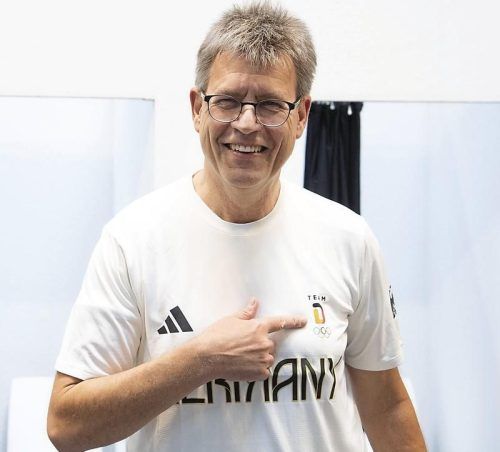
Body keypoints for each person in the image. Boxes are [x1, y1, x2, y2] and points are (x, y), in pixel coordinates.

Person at [47, 2, 426, 451]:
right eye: (227, 102)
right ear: (197, 109)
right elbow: (66, 425)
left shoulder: (349, 239)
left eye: (270, 105)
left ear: (301, 116)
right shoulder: (133, 240)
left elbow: (386, 407)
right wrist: (201, 359)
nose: (247, 124)